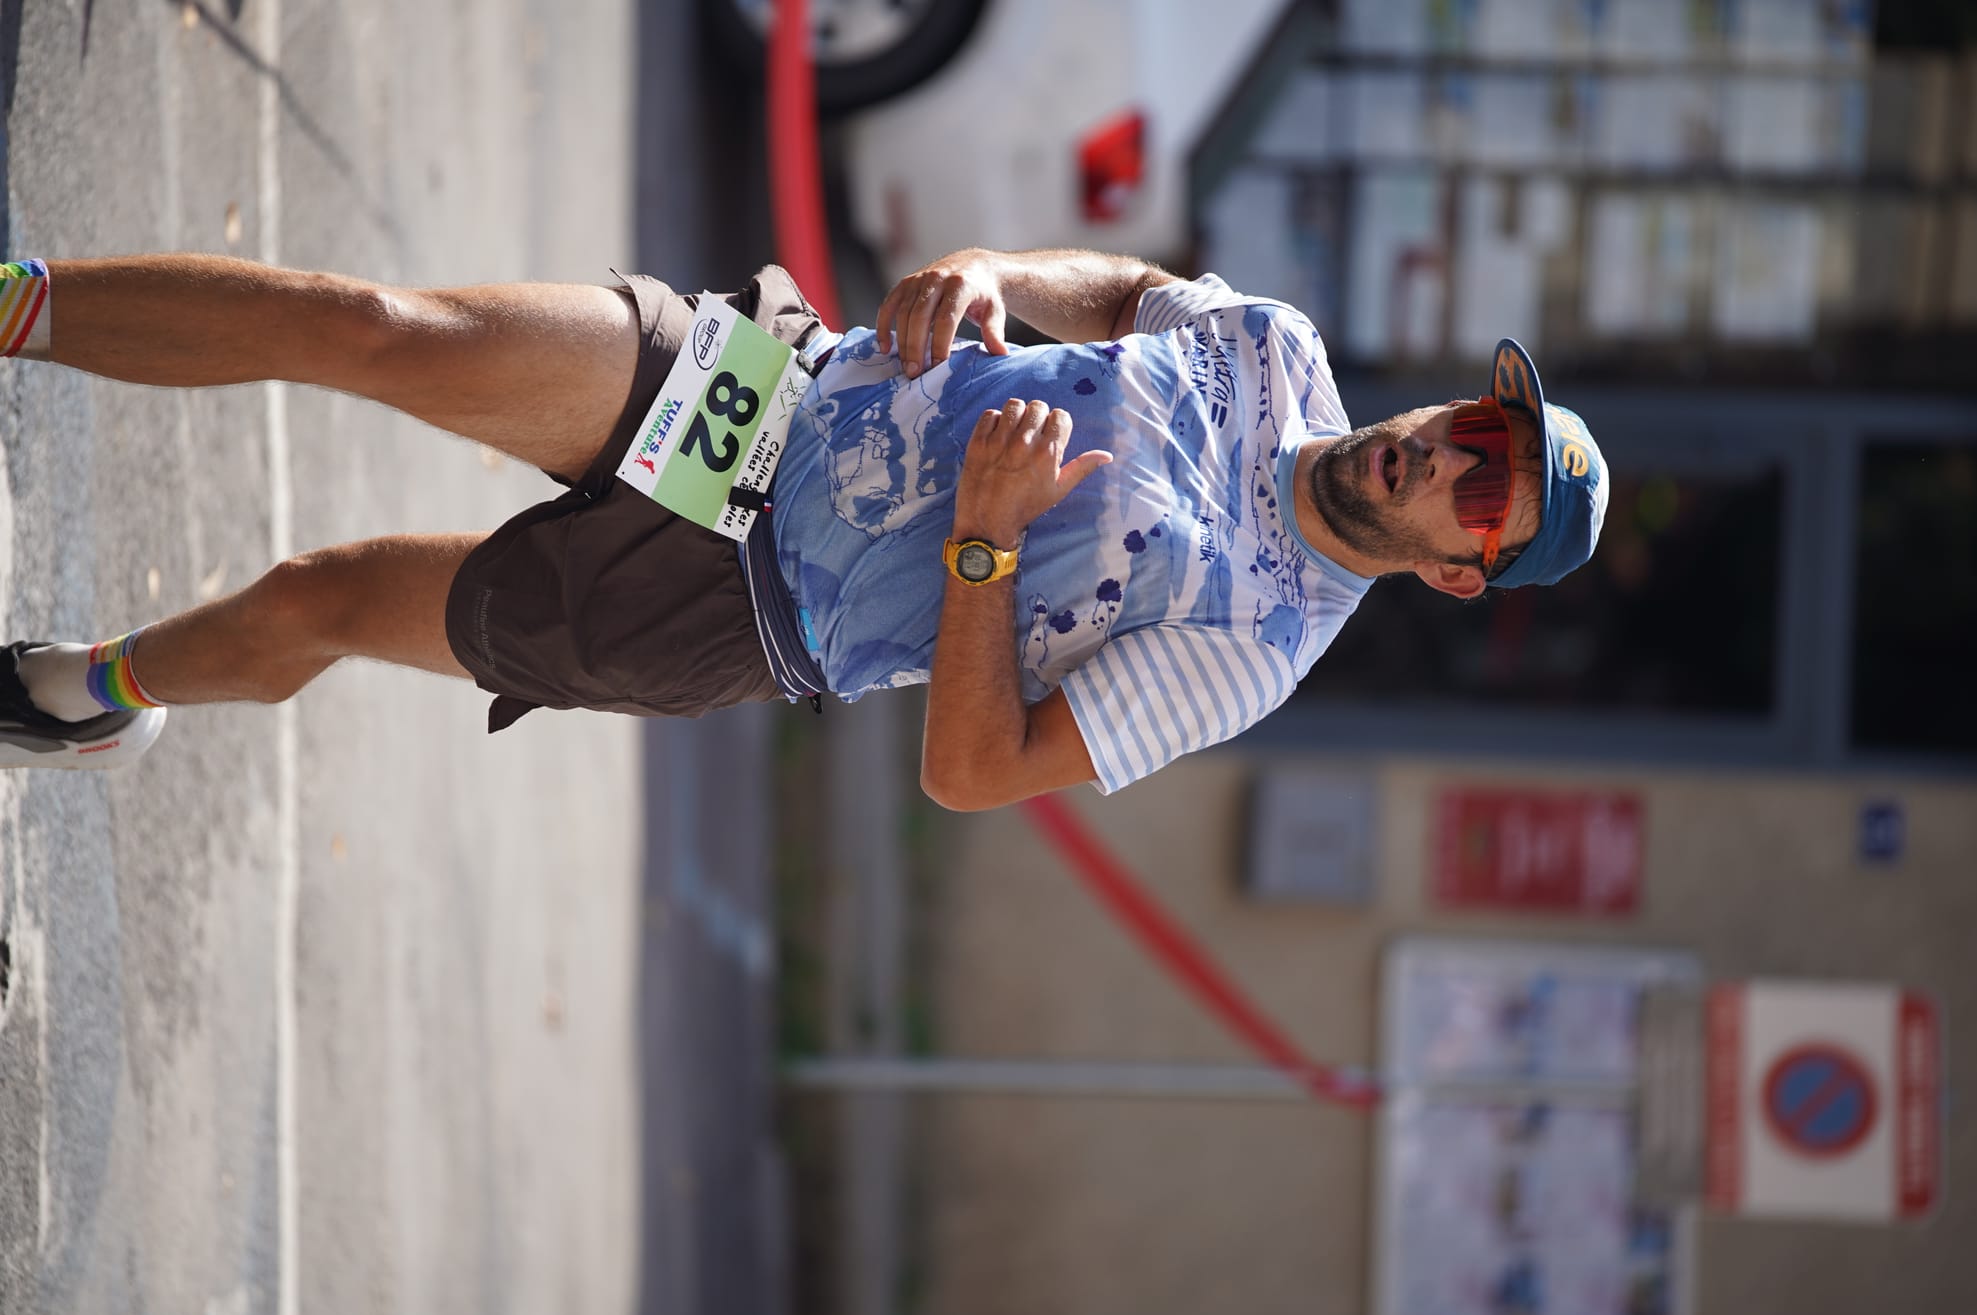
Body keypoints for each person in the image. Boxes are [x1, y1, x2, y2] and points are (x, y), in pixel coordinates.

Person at [0, 248, 1607, 808]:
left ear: (1464, 572)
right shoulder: (1277, 345)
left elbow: (975, 772)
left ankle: (87, 691)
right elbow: (1113, 290)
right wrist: (983, 269)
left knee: (329, 594)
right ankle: (19, 305)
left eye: (1483, 491)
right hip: (761, 393)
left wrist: (985, 547)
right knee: (385, 328)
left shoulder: (1253, 649)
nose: (1443, 457)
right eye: (1476, 426)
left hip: (737, 609)